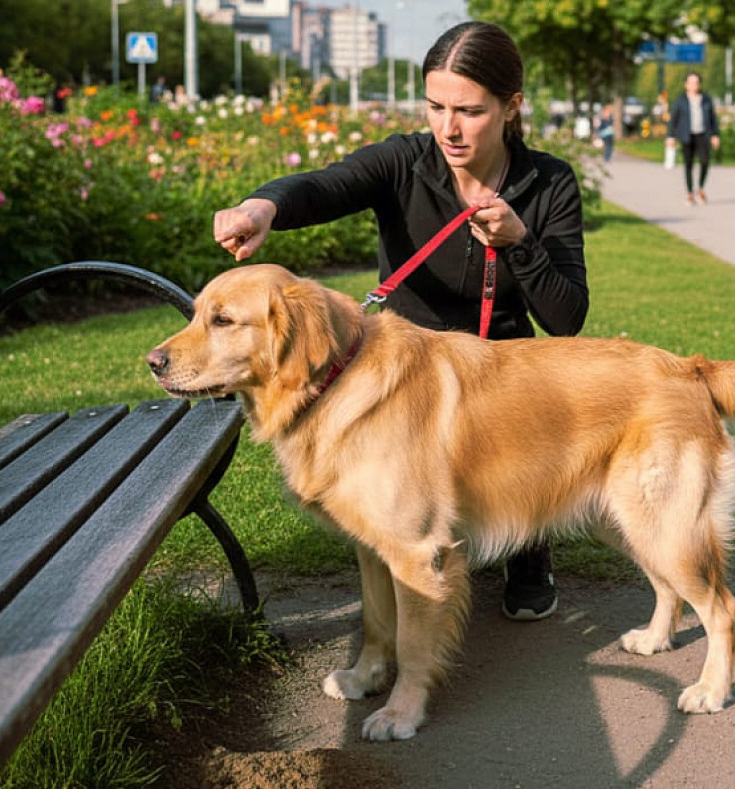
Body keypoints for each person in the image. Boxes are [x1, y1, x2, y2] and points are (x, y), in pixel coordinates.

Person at [213, 21, 589, 622]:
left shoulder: (550, 182)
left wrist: (520, 241)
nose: (449, 128)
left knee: (522, 454)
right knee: (400, 502)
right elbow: (325, 185)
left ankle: (528, 549)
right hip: (404, 363)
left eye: (469, 110)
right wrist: (265, 206)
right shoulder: (405, 161)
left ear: (511, 107)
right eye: (436, 106)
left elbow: (567, 316)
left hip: (503, 363)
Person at [666, 72, 720, 205]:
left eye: (696, 82)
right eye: (691, 82)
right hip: (687, 136)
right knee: (688, 164)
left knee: (705, 161)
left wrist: (715, 135)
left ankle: (700, 188)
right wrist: (670, 136)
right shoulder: (680, 100)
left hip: (703, 134)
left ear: (699, 84)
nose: (693, 85)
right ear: (686, 85)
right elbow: (673, 119)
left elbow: (713, 119)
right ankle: (690, 193)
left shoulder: (706, 99)